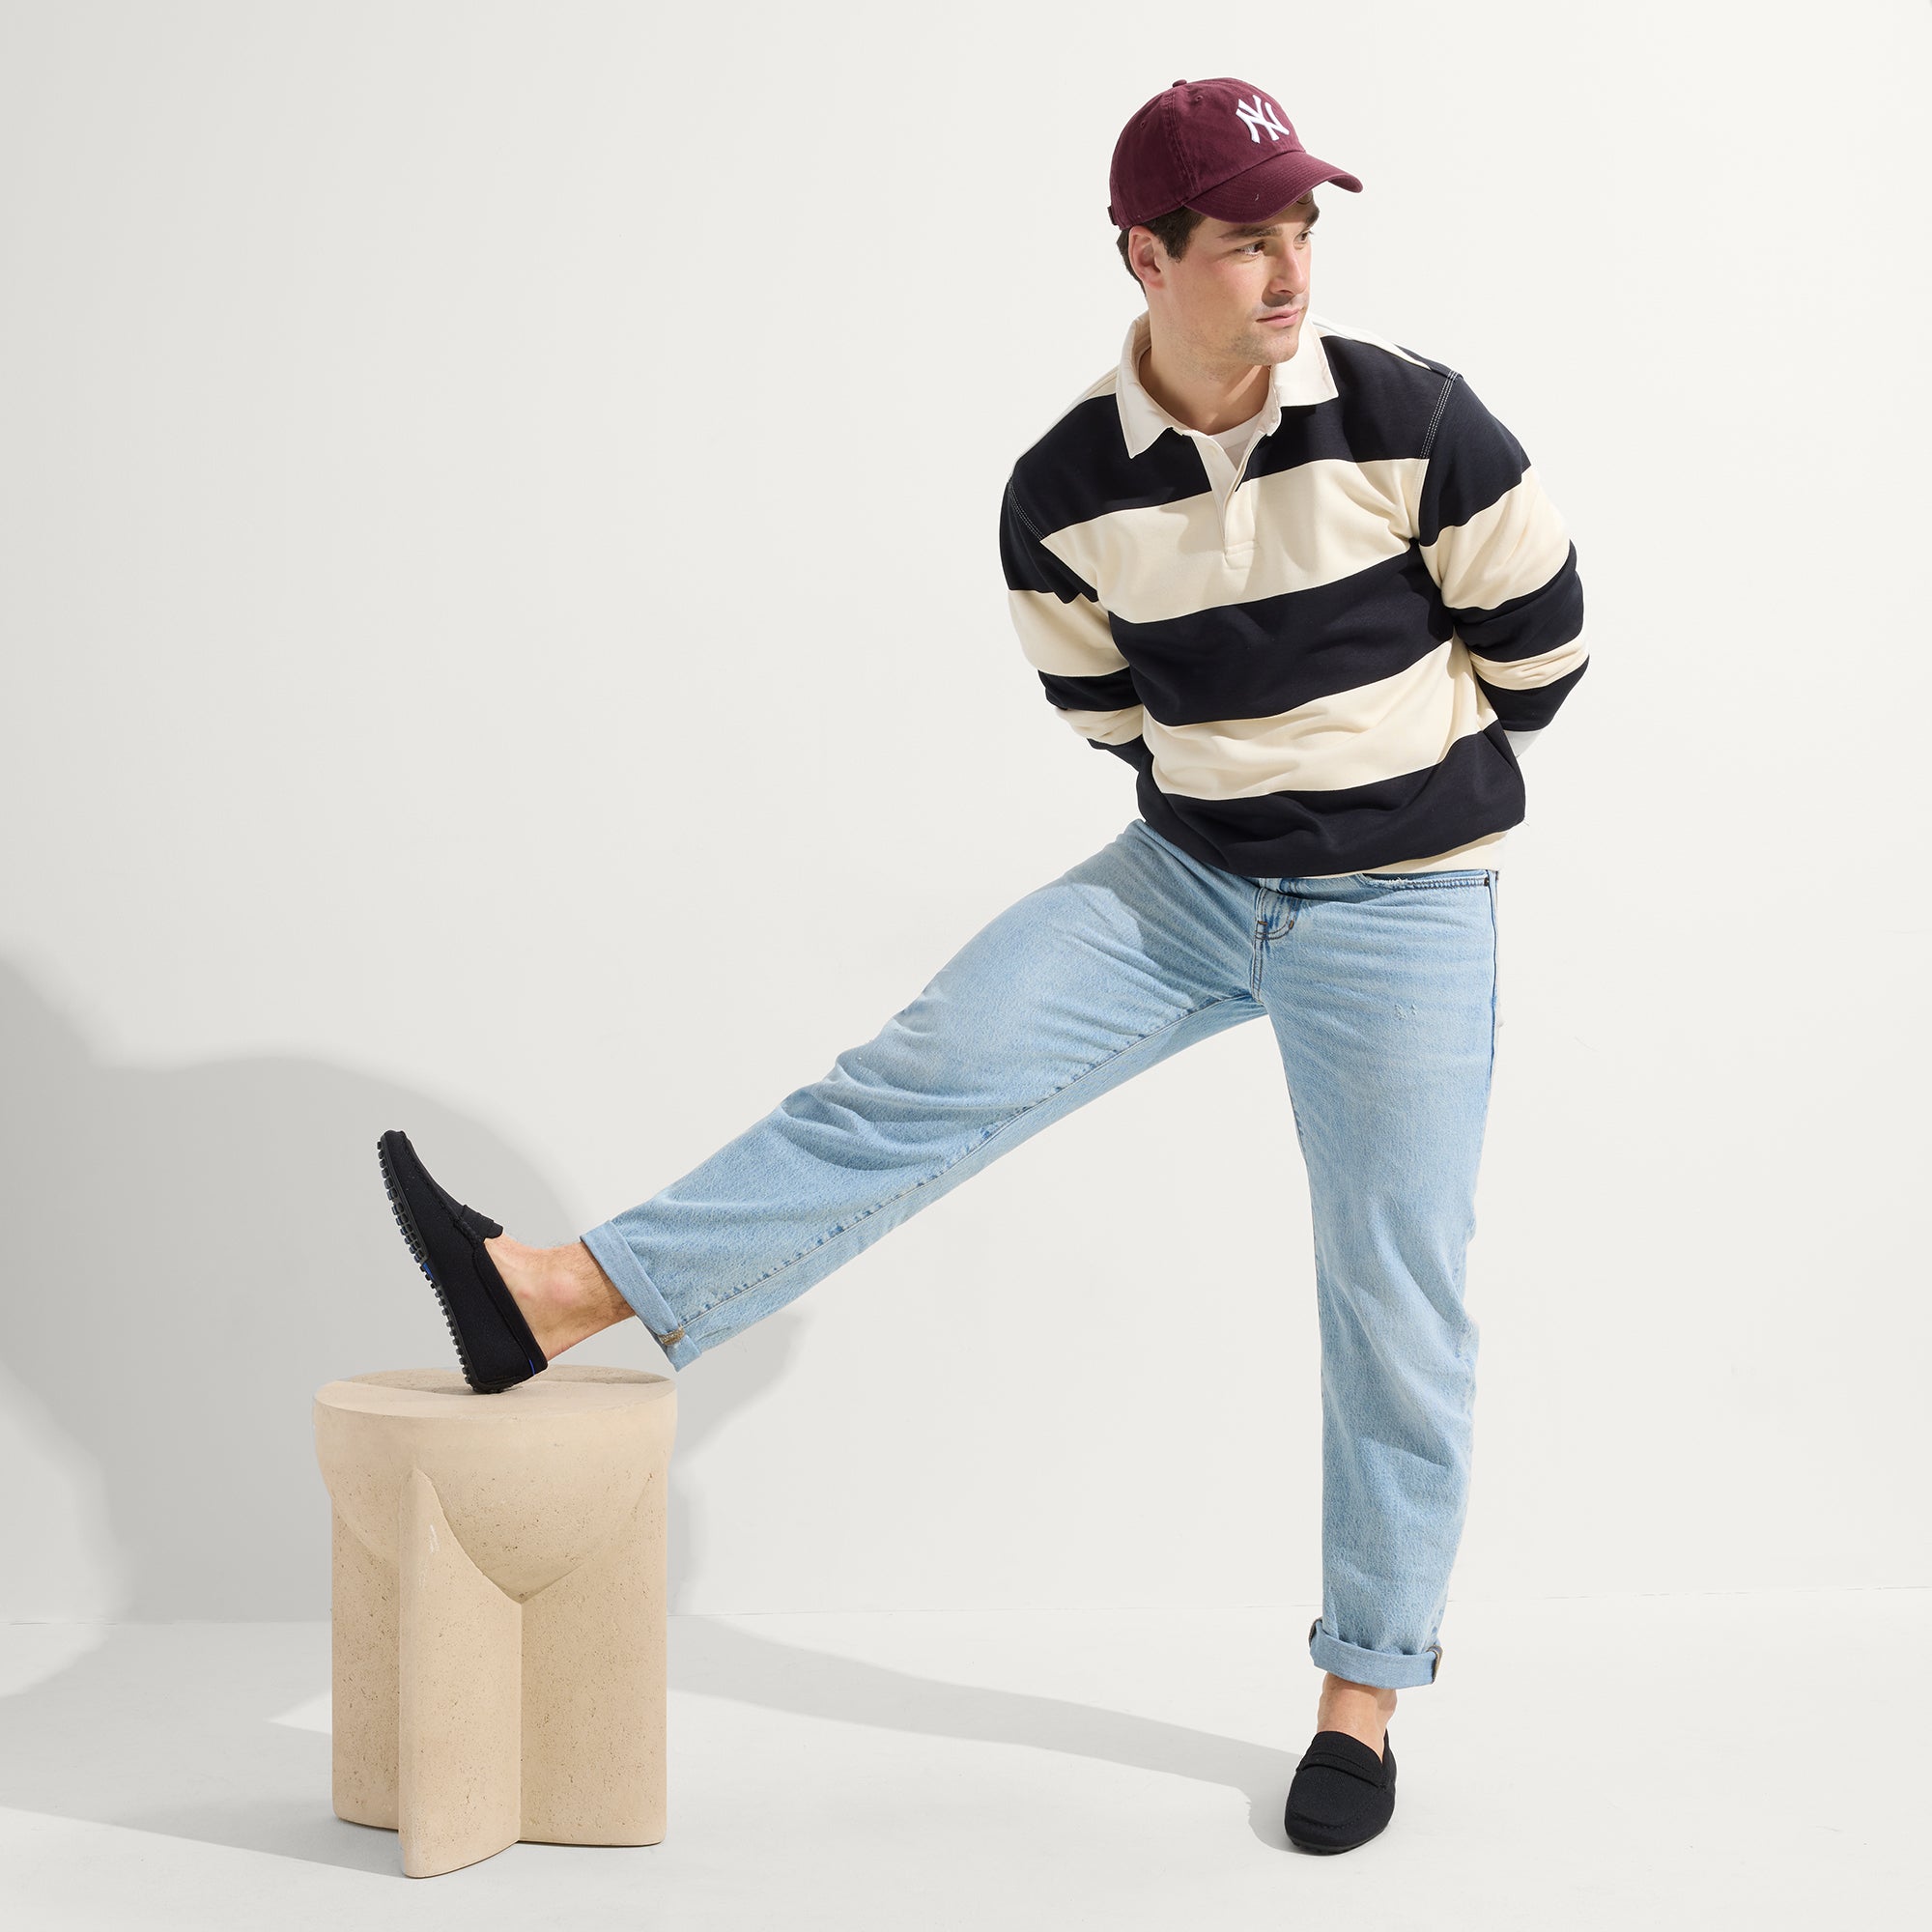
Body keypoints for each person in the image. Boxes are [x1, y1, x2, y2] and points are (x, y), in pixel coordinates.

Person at [376, 74, 1587, 1857]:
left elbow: (1541, 649)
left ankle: (1363, 1697)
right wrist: (1251, 804)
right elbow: (1105, 709)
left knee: (1392, 1292)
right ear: (1145, 257)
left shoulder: (1420, 420)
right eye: (1245, 240)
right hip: (1190, 879)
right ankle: (554, 1297)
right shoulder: (1061, 489)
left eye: (1303, 231)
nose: (1287, 271)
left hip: (1405, 904)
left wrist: (1379, 797)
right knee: (916, 1079)